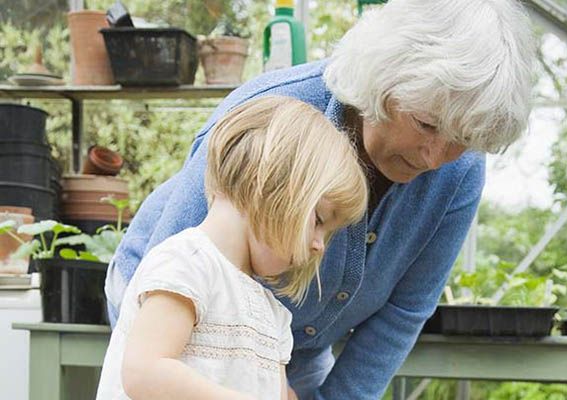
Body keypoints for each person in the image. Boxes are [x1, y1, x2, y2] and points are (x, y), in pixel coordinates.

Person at [105, 0, 535, 398]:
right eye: (426, 124)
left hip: (283, 342)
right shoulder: (269, 117)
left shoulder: (458, 174)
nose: (435, 158)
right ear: (383, 81)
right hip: (171, 315)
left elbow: (402, 314)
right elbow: (153, 352)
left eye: (461, 140)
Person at [95, 96, 368, 400]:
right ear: (271, 186)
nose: (319, 246)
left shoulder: (272, 314)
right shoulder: (187, 264)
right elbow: (144, 373)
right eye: (318, 220)